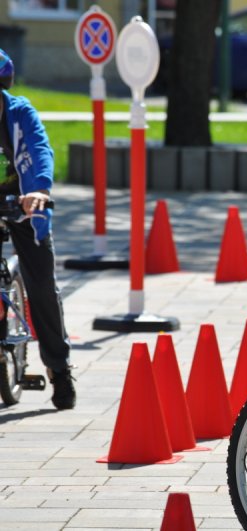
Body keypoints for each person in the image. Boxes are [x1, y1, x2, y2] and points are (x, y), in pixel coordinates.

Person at [0, 48, 74, 410]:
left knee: (41, 284)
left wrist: (39, 191)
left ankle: (59, 368)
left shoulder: (19, 113)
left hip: (22, 202)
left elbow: (40, 148)